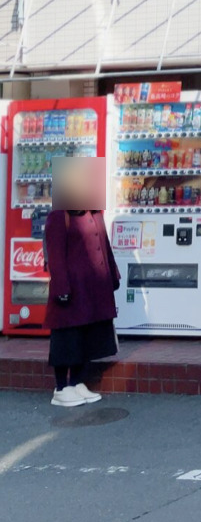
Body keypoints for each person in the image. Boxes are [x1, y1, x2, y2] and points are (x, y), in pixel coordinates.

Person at [44, 159, 119, 408]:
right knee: (67, 338)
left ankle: (76, 382)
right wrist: (61, 288)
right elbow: (55, 256)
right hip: (72, 289)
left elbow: (104, 246)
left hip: (94, 288)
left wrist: (113, 275)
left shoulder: (94, 212)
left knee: (88, 337)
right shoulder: (59, 215)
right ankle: (61, 388)